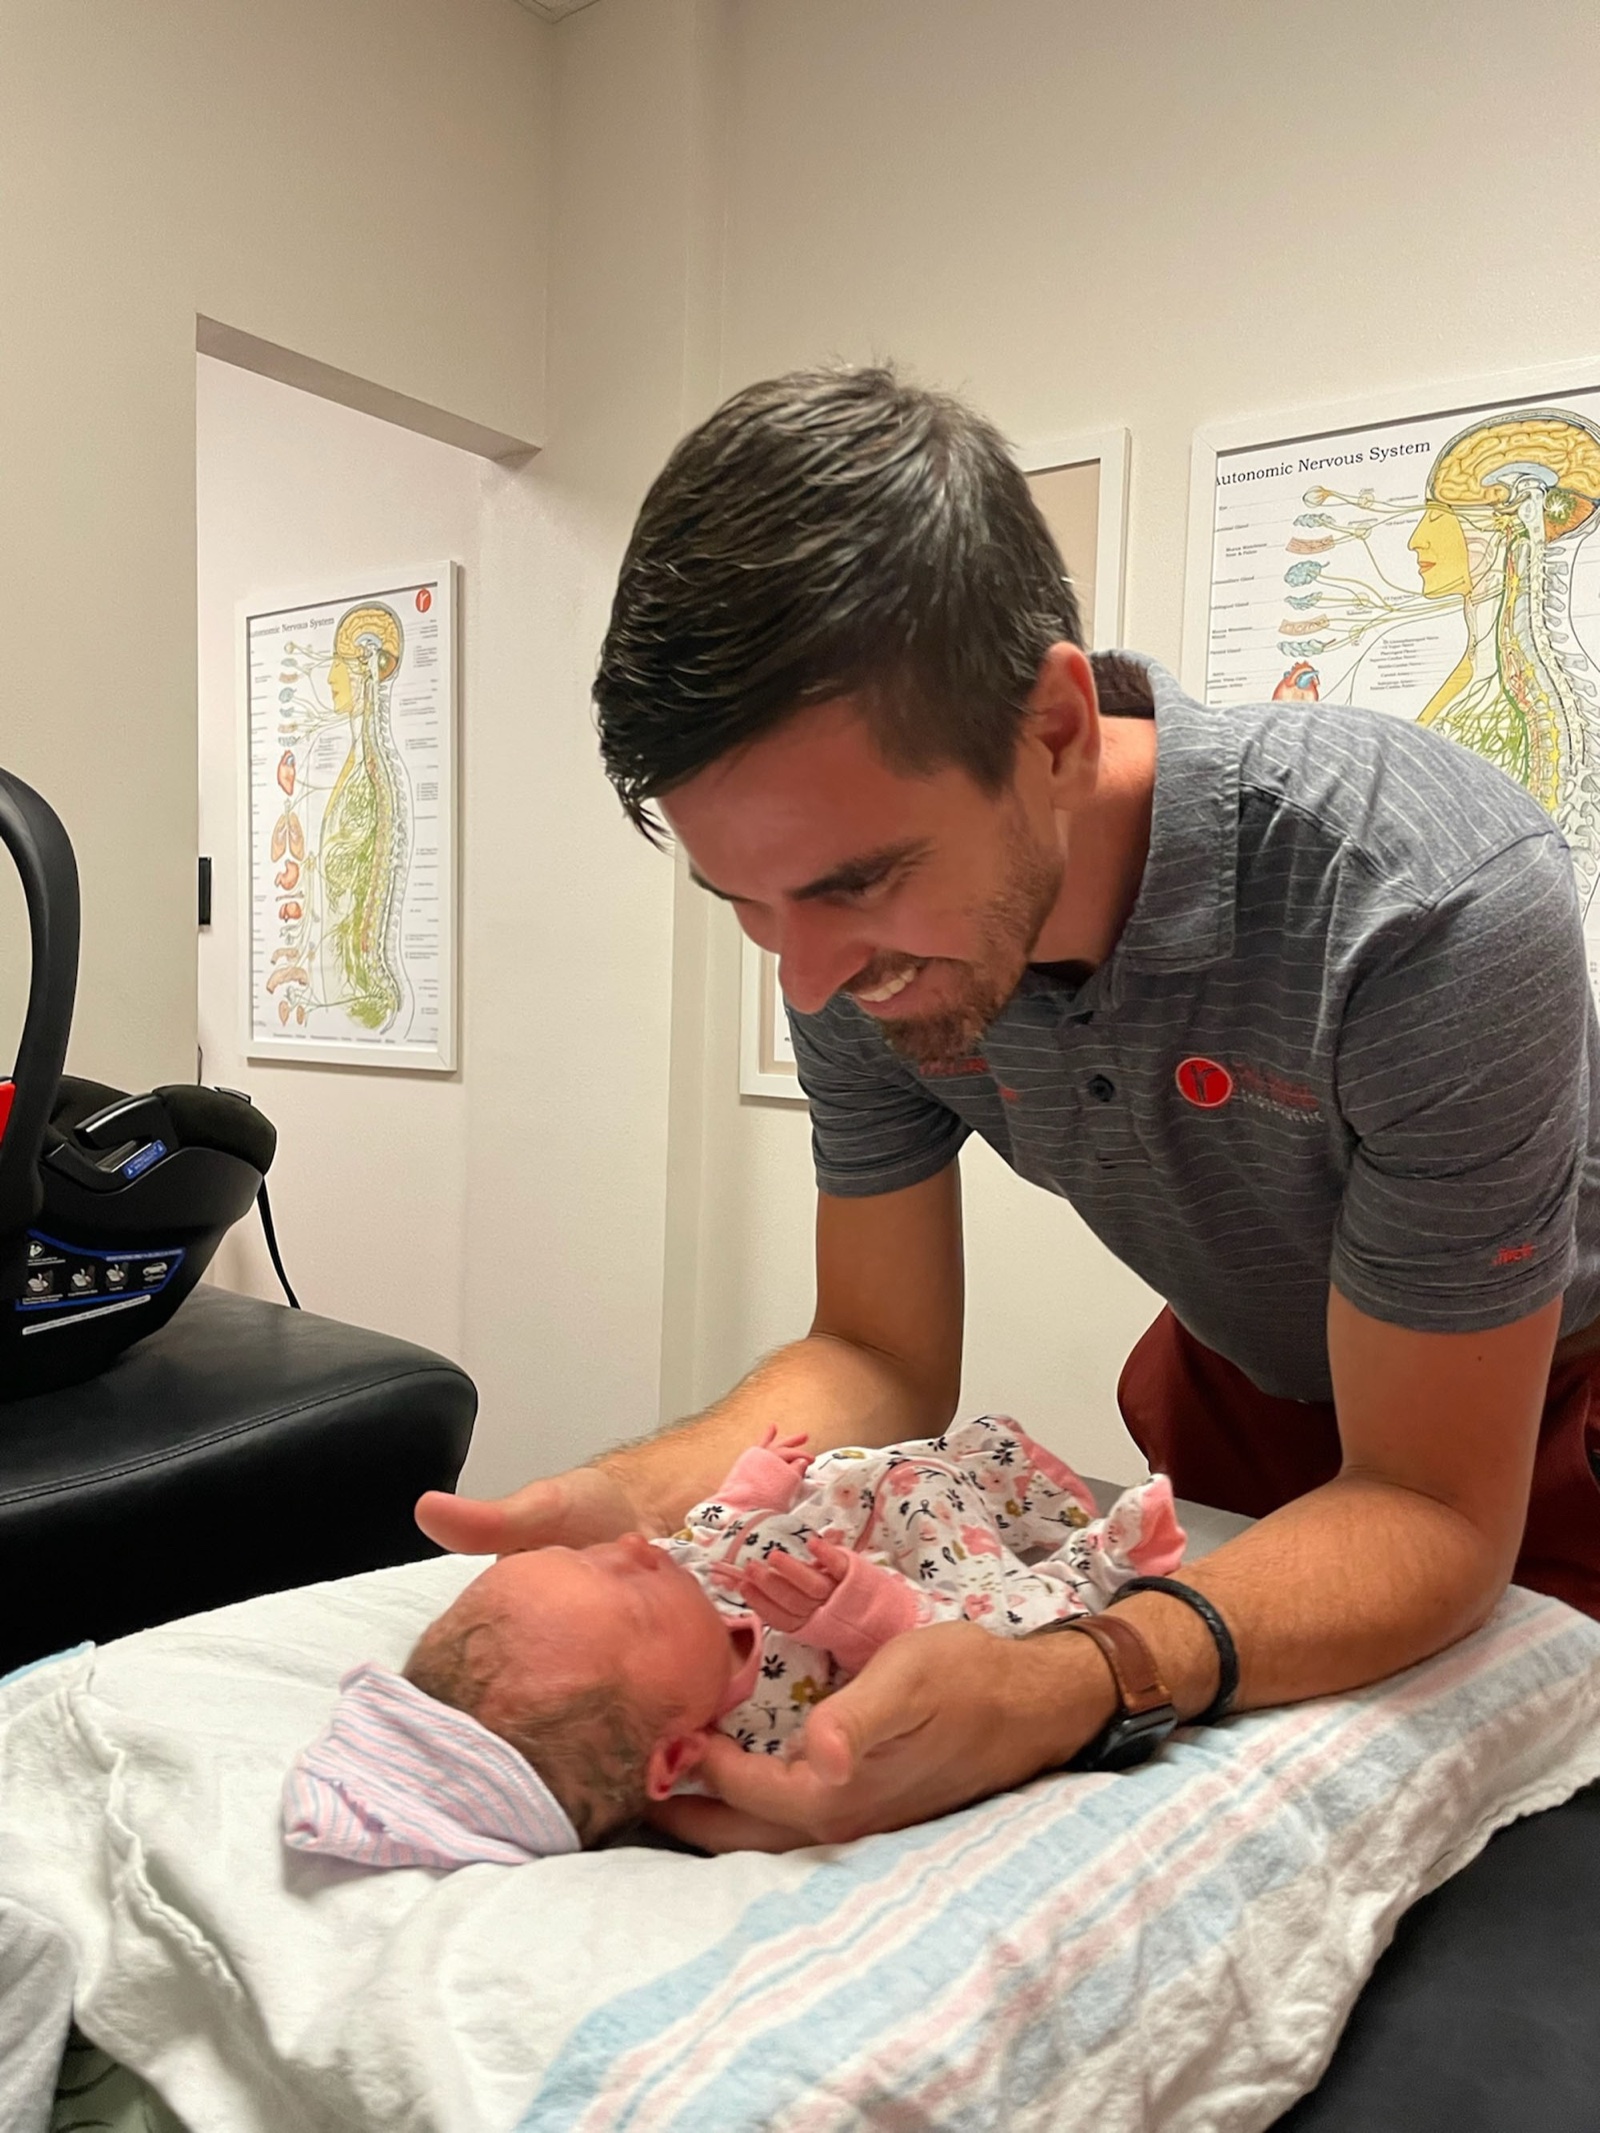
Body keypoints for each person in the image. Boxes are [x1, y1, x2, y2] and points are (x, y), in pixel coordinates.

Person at [417, 365, 1600, 1853]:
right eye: (742, 898)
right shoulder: (837, 954)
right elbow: (875, 1352)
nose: (810, 971)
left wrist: (1074, 1679)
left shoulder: (1426, 903)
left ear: (1051, 724)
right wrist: (631, 1504)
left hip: (1540, 1420)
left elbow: (1428, 1501)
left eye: (857, 882)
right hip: (1252, 1390)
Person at [286, 1422, 1179, 1863]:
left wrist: (750, 1488)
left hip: (883, 1493)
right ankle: (1099, 1566)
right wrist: (867, 1621)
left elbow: (696, 1538)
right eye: (629, 1595)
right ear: (674, 1757)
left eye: (593, 1553)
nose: (638, 1548)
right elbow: (943, 1682)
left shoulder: (676, 1590)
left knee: (931, 1462)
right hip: (931, 1585)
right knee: (1009, 1616)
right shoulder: (759, 1738)